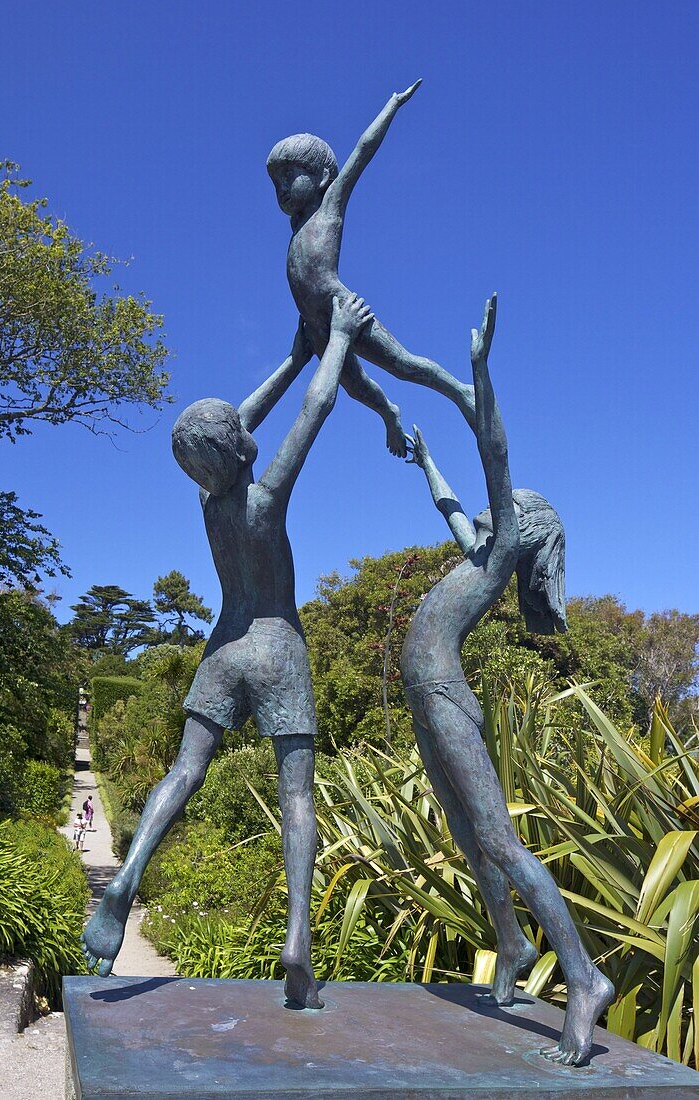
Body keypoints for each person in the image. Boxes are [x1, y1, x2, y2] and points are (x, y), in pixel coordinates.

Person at [81, 293, 373, 1008]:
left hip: (223, 645)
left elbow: (231, 426)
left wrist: (289, 354)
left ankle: (127, 876)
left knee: (185, 771)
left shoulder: (208, 502)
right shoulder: (263, 496)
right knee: (296, 794)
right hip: (276, 644)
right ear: (238, 451)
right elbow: (316, 409)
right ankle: (298, 936)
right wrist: (333, 341)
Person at [402, 294, 614, 1067]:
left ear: (518, 527)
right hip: (422, 694)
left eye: (505, 508)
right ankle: (512, 943)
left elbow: (492, 452)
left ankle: (585, 979)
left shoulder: (496, 558)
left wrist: (479, 372)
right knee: (466, 835)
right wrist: (423, 457)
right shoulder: (474, 550)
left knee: (497, 838)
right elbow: (452, 502)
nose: (493, 511)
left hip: (443, 691)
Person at [267, 80, 478, 458]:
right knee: (356, 387)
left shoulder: (329, 208)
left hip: (341, 310)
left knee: (402, 364)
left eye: (290, 175)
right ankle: (389, 414)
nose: (281, 188)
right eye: (276, 182)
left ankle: (460, 391)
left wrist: (392, 106)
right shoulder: (295, 228)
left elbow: (363, 151)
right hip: (314, 324)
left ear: (322, 178)